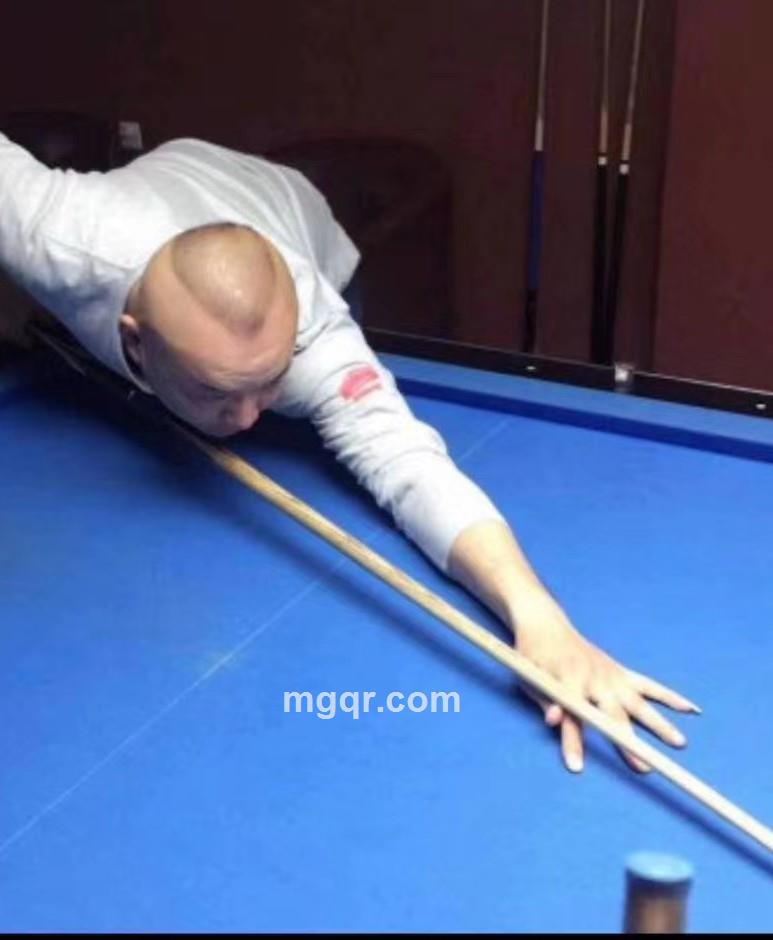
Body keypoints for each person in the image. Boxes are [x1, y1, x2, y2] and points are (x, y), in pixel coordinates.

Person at [0, 133, 698, 773]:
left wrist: (537, 615)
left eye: (267, 383)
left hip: (288, 207)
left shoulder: (316, 339)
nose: (247, 419)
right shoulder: (59, 237)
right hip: (157, 185)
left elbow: (411, 467)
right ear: (134, 338)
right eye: (216, 391)